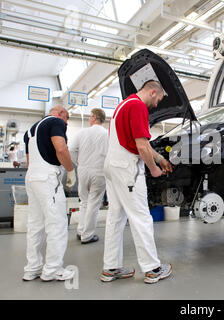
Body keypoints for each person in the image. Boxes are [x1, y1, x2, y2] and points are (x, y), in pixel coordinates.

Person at [101, 80, 173, 284]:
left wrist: (160, 159)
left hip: (112, 165)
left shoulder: (124, 105)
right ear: (152, 92)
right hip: (127, 169)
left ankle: (111, 268)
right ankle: (152, 269)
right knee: (141, 216)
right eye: (158, 100)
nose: (157, 105)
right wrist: (154, 169)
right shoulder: (138, 106)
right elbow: (141, 147)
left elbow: (139, 141)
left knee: (116, 218)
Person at [22, 105, 76, 282]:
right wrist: (70, 170)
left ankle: (32, 268)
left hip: (32, 177)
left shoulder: (30, 130)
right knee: (57, 223)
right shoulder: (56, 122)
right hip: (47, 178)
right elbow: (61, 149)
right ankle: (52, 269)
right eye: (67, 121)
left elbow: (30, 160)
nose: (65, 125)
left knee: (35, 225)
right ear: (62, 114)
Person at [69, 108, 108, 244]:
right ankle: (87, 235)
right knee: (94, 203)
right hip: (99, 171)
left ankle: (81, 231)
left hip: (83, 170)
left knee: (84, 201)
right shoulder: (107, 135)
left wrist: (78, 162)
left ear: (93, 118)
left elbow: (71, 150)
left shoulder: (82, 132)